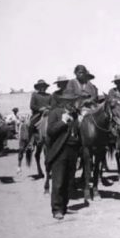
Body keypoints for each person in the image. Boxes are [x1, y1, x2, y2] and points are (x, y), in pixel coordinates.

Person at [46, 92, 82, 220]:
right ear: (62, 101)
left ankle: (64, 206)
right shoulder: (55, 113)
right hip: (60, 150)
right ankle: (56, 209)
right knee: (58, 182)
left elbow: (77, 133)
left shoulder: (75, 114)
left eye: (73, 100)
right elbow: (50, 131)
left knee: (68, 181)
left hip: (73, 151)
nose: (71, 103)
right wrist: (62, 121)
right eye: (68, 100)